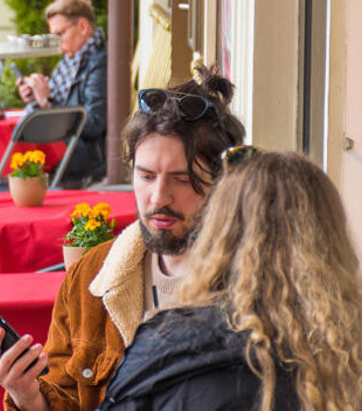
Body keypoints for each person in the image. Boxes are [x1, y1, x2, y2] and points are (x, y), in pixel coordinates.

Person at [0, 67, 246, 410]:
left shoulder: (254, 282)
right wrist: (27, 395)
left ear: (223, 183)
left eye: (181, 179)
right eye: (146, 176)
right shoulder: (92, 276)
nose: (158, 197)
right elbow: (66, 397)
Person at [100, 151, 362, 410]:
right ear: (331, 239)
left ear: (220, 233)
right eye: (146, 175)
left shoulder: (165, 345)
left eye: (181, 179)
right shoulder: (345, 354)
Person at [16, 0, 108, 186]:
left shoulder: (100, 62)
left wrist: (46, 103)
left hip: (86, 153)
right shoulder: (71, 60)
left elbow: (94, 123)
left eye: (60, 34)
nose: (58, 43)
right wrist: (35, 96)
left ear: (82, 26)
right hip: (66, 144)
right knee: (12, 141)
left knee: (15, 147)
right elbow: (59, 101)